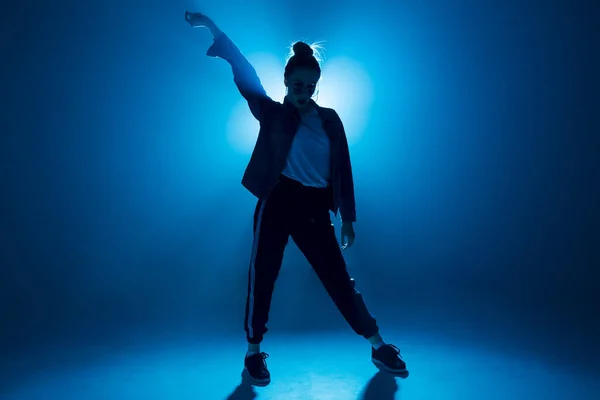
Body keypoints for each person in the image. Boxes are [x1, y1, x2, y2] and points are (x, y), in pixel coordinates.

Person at [185, 11, 408, 386]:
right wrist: (213, 29)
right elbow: (246, 75)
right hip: (278, 201)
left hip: (314, 208)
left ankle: (377, 344)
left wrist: (348, 218)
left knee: (339, 280)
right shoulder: (273, 115)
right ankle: (253, 353)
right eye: (297, 86)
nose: (303, 93)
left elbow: (343, 170)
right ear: (287, 82)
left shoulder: (331, 120)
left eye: (309, 87)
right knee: (263, 275)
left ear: (316, 87)